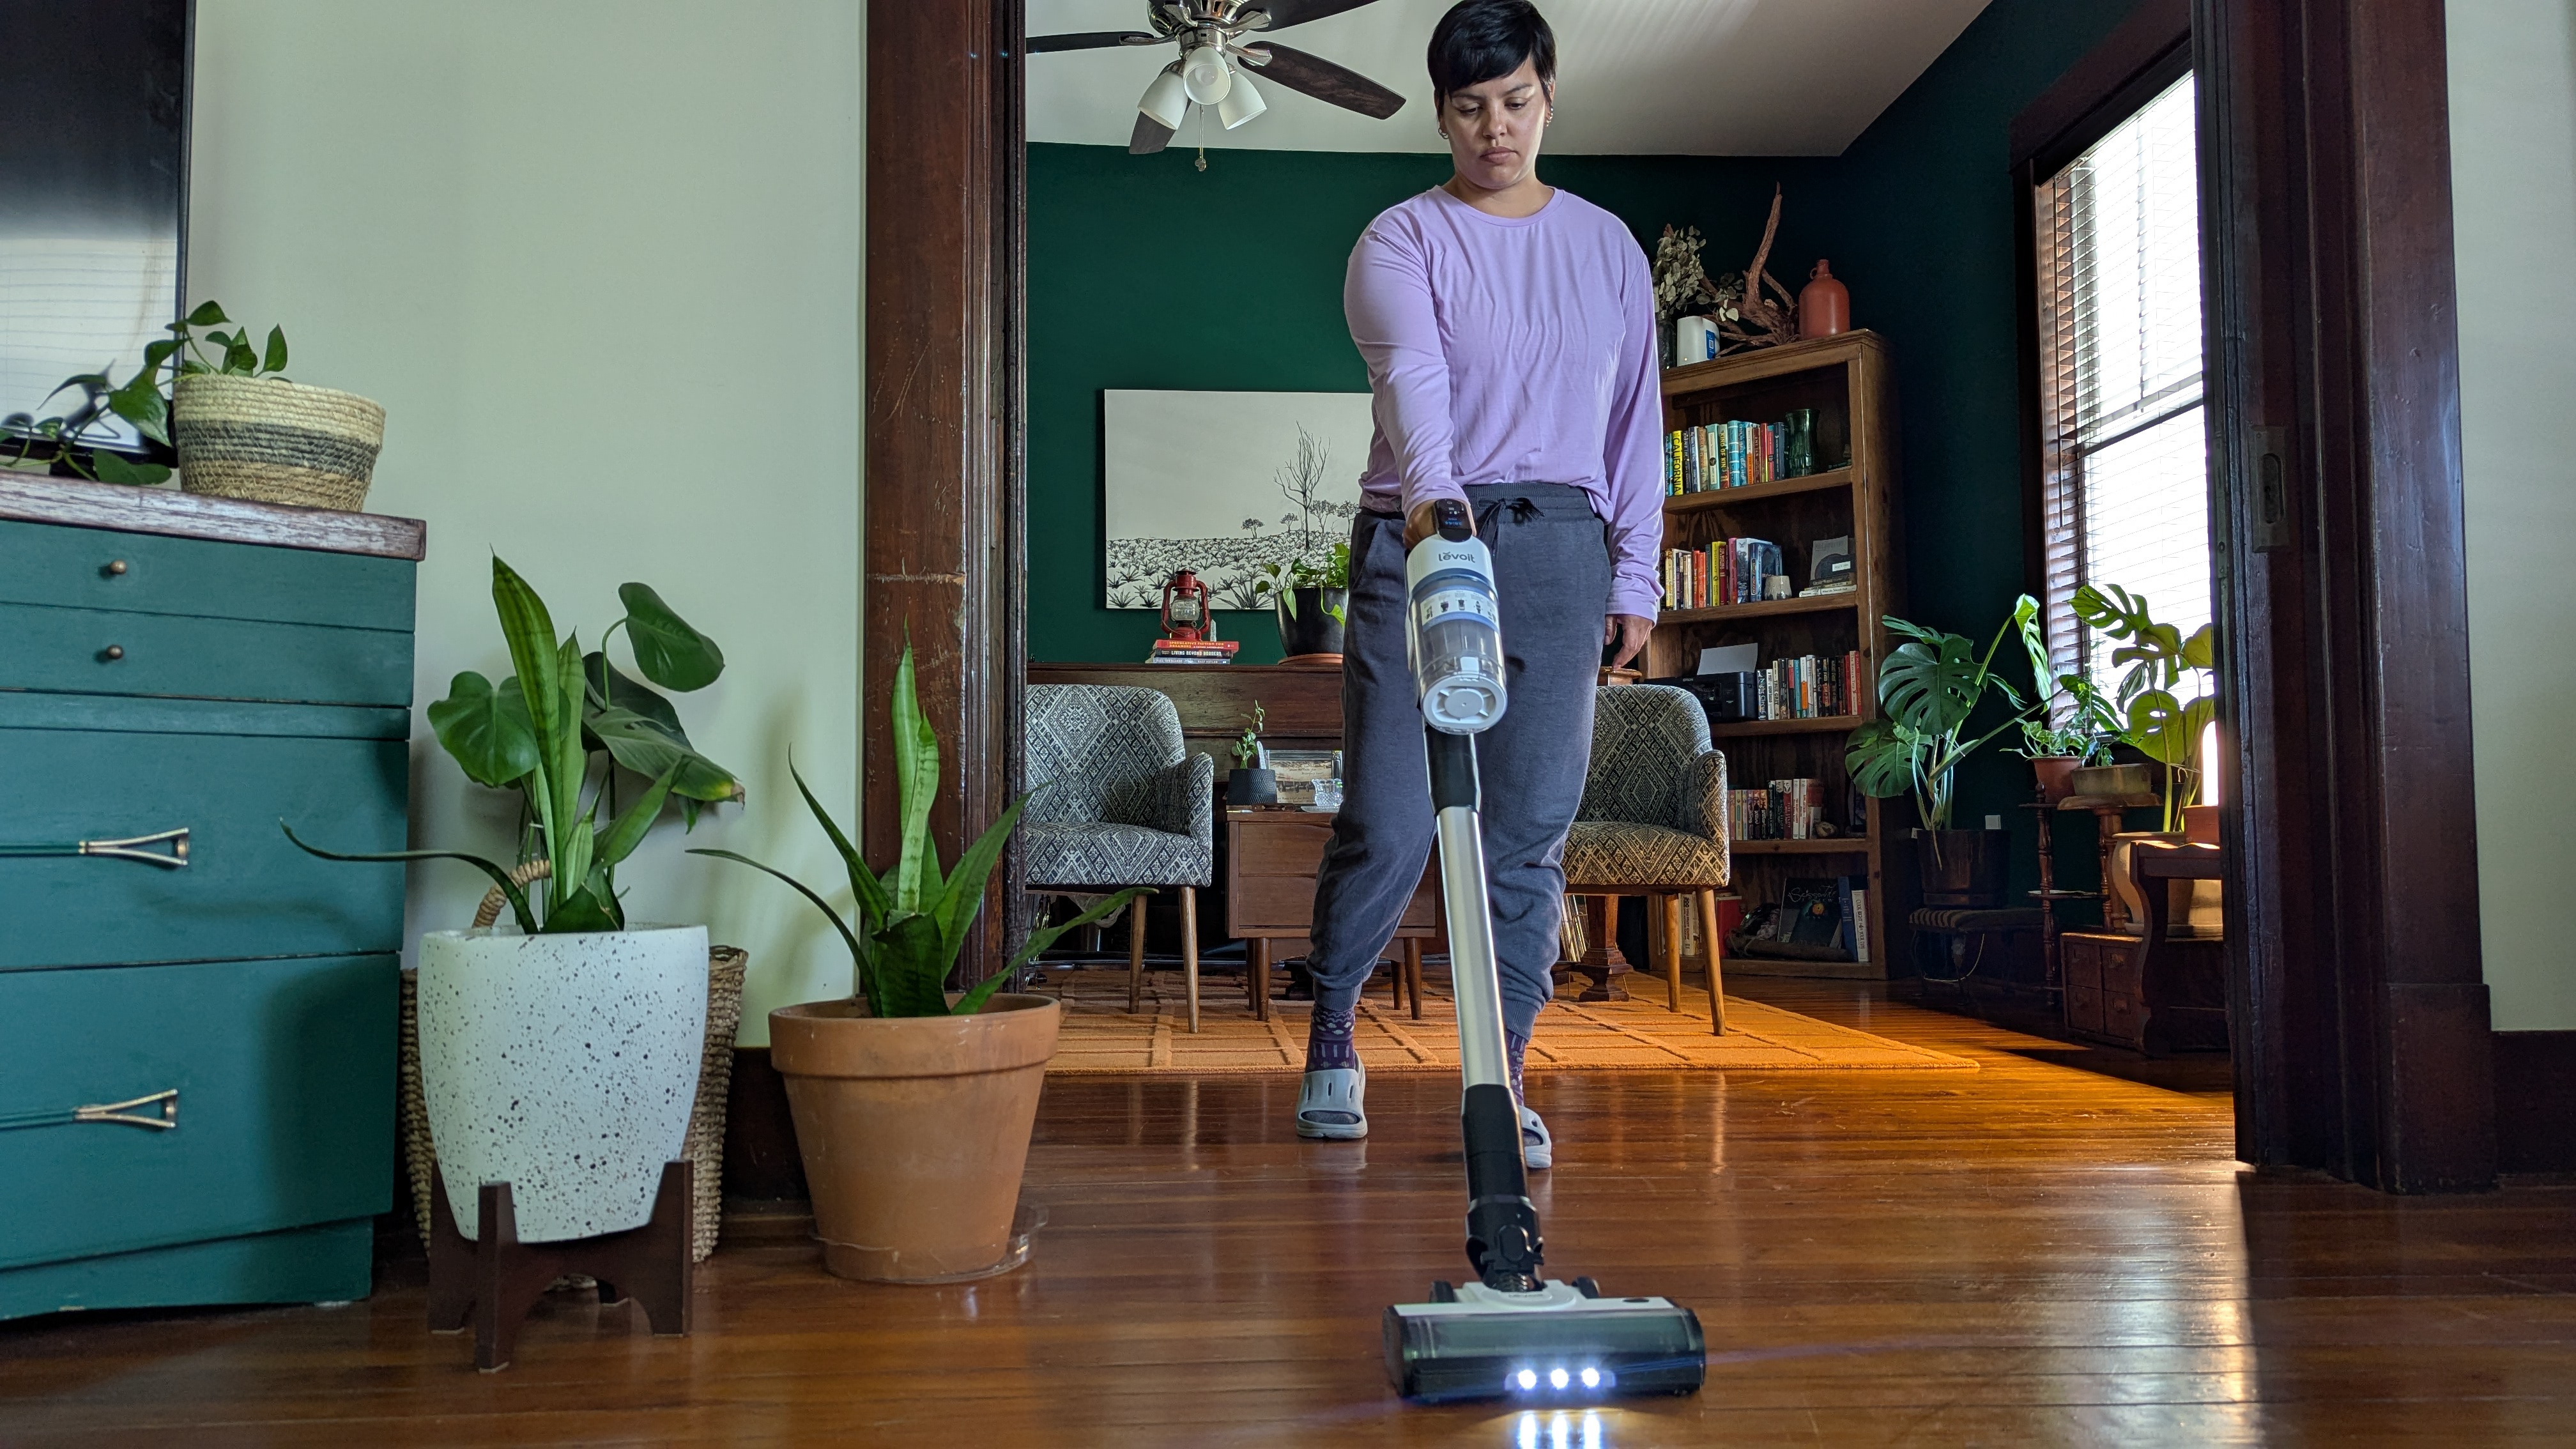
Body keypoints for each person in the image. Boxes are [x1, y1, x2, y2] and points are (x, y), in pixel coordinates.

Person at [1294, 0, 1662, 1169]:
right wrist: (1438, 518)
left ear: (1548, 91)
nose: (1494, 129)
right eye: (1468, 109)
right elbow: (1416, 392)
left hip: (1561, 545)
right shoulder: (1400, 238)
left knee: (1530, 830)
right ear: (1443, 115)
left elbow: (1633, 428)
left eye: (1513, 101)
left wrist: (1638, 574)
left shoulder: (1608, 248)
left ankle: (1499, 1073)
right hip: (1421, 537)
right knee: (1393, 818)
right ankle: (1335, 1034)